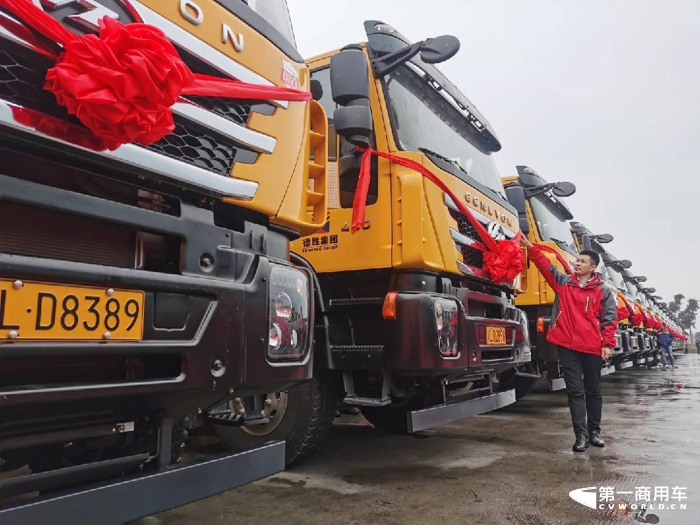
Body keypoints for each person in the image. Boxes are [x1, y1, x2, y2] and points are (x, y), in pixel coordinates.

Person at [522, 237, 617, 452]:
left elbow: (610, 319)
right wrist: (531, 248)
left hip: (592, 347)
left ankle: (595, 432)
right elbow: (545, 266)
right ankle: (581, 436)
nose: (577, 263)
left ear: (592, 267)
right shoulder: (564, 284)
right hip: (567, 346)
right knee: (575, 391)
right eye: (577, 260)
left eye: (582, 261)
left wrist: (607, 344)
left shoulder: (602, 291)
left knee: (593, 391)